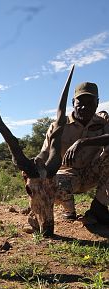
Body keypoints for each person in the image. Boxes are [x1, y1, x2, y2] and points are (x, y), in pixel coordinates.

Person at [35, 81, 109, 225]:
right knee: (51, 185)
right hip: (67, 176)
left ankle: (98, 207)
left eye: (90, 102)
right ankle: (69, 210)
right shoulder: (58, 126)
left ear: (97, 103)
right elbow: (44, 152)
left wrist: (82, 142)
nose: (84, 107)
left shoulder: (104, 121)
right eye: (80, 102)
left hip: (93, 173)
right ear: (72, 102)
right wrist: (36, 161)